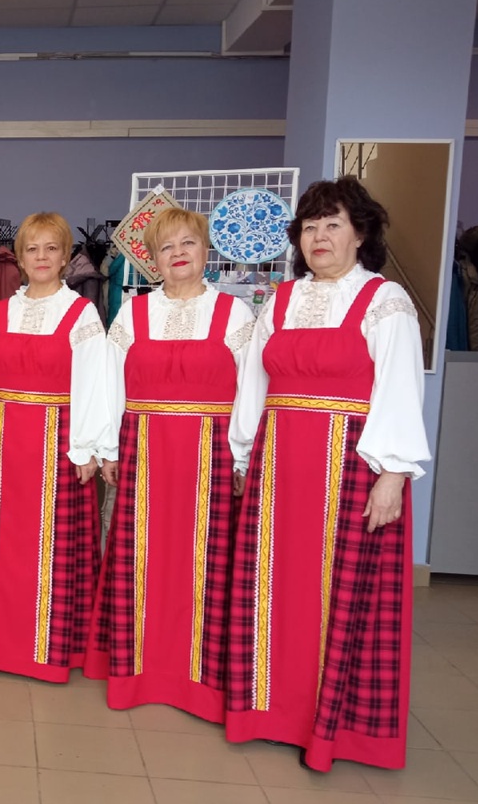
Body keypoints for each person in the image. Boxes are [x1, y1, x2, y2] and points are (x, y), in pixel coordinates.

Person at [226, 177, 429, 771]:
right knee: (276, 586)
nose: (319, 236)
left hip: (350, 468)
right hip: (278, 465)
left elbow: (399, 390)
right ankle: (270, 710)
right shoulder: (281, 301)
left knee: (339, 593)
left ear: (360, 234)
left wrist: (393, 475)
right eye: (310, 227)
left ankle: (332, 726)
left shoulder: (385, 301)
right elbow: (254, 384)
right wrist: (243, 454)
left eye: (333, 224)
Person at [85, 207, 255, 719]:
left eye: (188, 243)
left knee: (203, 565)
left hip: (210, 459)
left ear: (206, 251)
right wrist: (108, 447)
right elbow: (109, 385)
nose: (178, 253)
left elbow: (251, 391)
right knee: (143, 561)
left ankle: (199, 681)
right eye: (166, 247)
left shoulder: (236, 315)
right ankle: (138, 671)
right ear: (153, 260)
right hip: (144, 454)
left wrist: (243, 454)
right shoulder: (132, 314)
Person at [0, 212, 114, 682]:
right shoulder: (1, 312)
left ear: (66, 256)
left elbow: (94, 382)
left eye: (52, 248)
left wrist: (86, 446)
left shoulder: (81, 313)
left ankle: (50, 647)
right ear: (20, 259)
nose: (42, 257)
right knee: (6, 541)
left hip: (59, 440)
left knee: (53, 545)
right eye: (32, 249)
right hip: (9, 437)